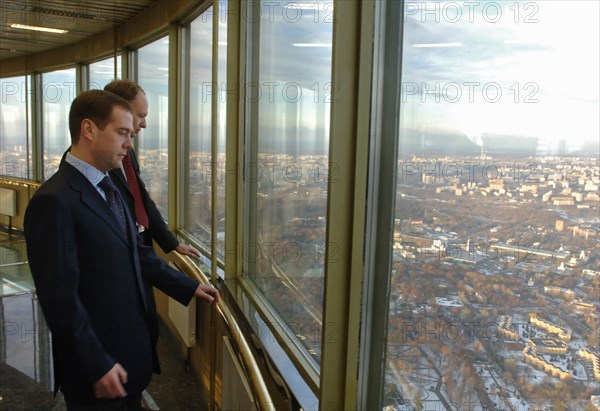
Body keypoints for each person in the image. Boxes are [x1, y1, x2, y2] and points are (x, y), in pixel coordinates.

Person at [24, 89, 220, 410]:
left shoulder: (110, 185)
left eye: (131, 133)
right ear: (89, 129)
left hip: (129, 358)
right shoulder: (54, 201)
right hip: (98, 370)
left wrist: (188, 285)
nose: (130, 143)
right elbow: (60, 299)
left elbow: (136, 252)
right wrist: (96, 363)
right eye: (122, 133)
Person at [103, 79, 199, 258]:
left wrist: (171, 242)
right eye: (140, 115)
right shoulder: (97, 161)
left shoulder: (126, 152)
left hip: (139, 242)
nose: (144, 124)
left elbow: (140, 197)